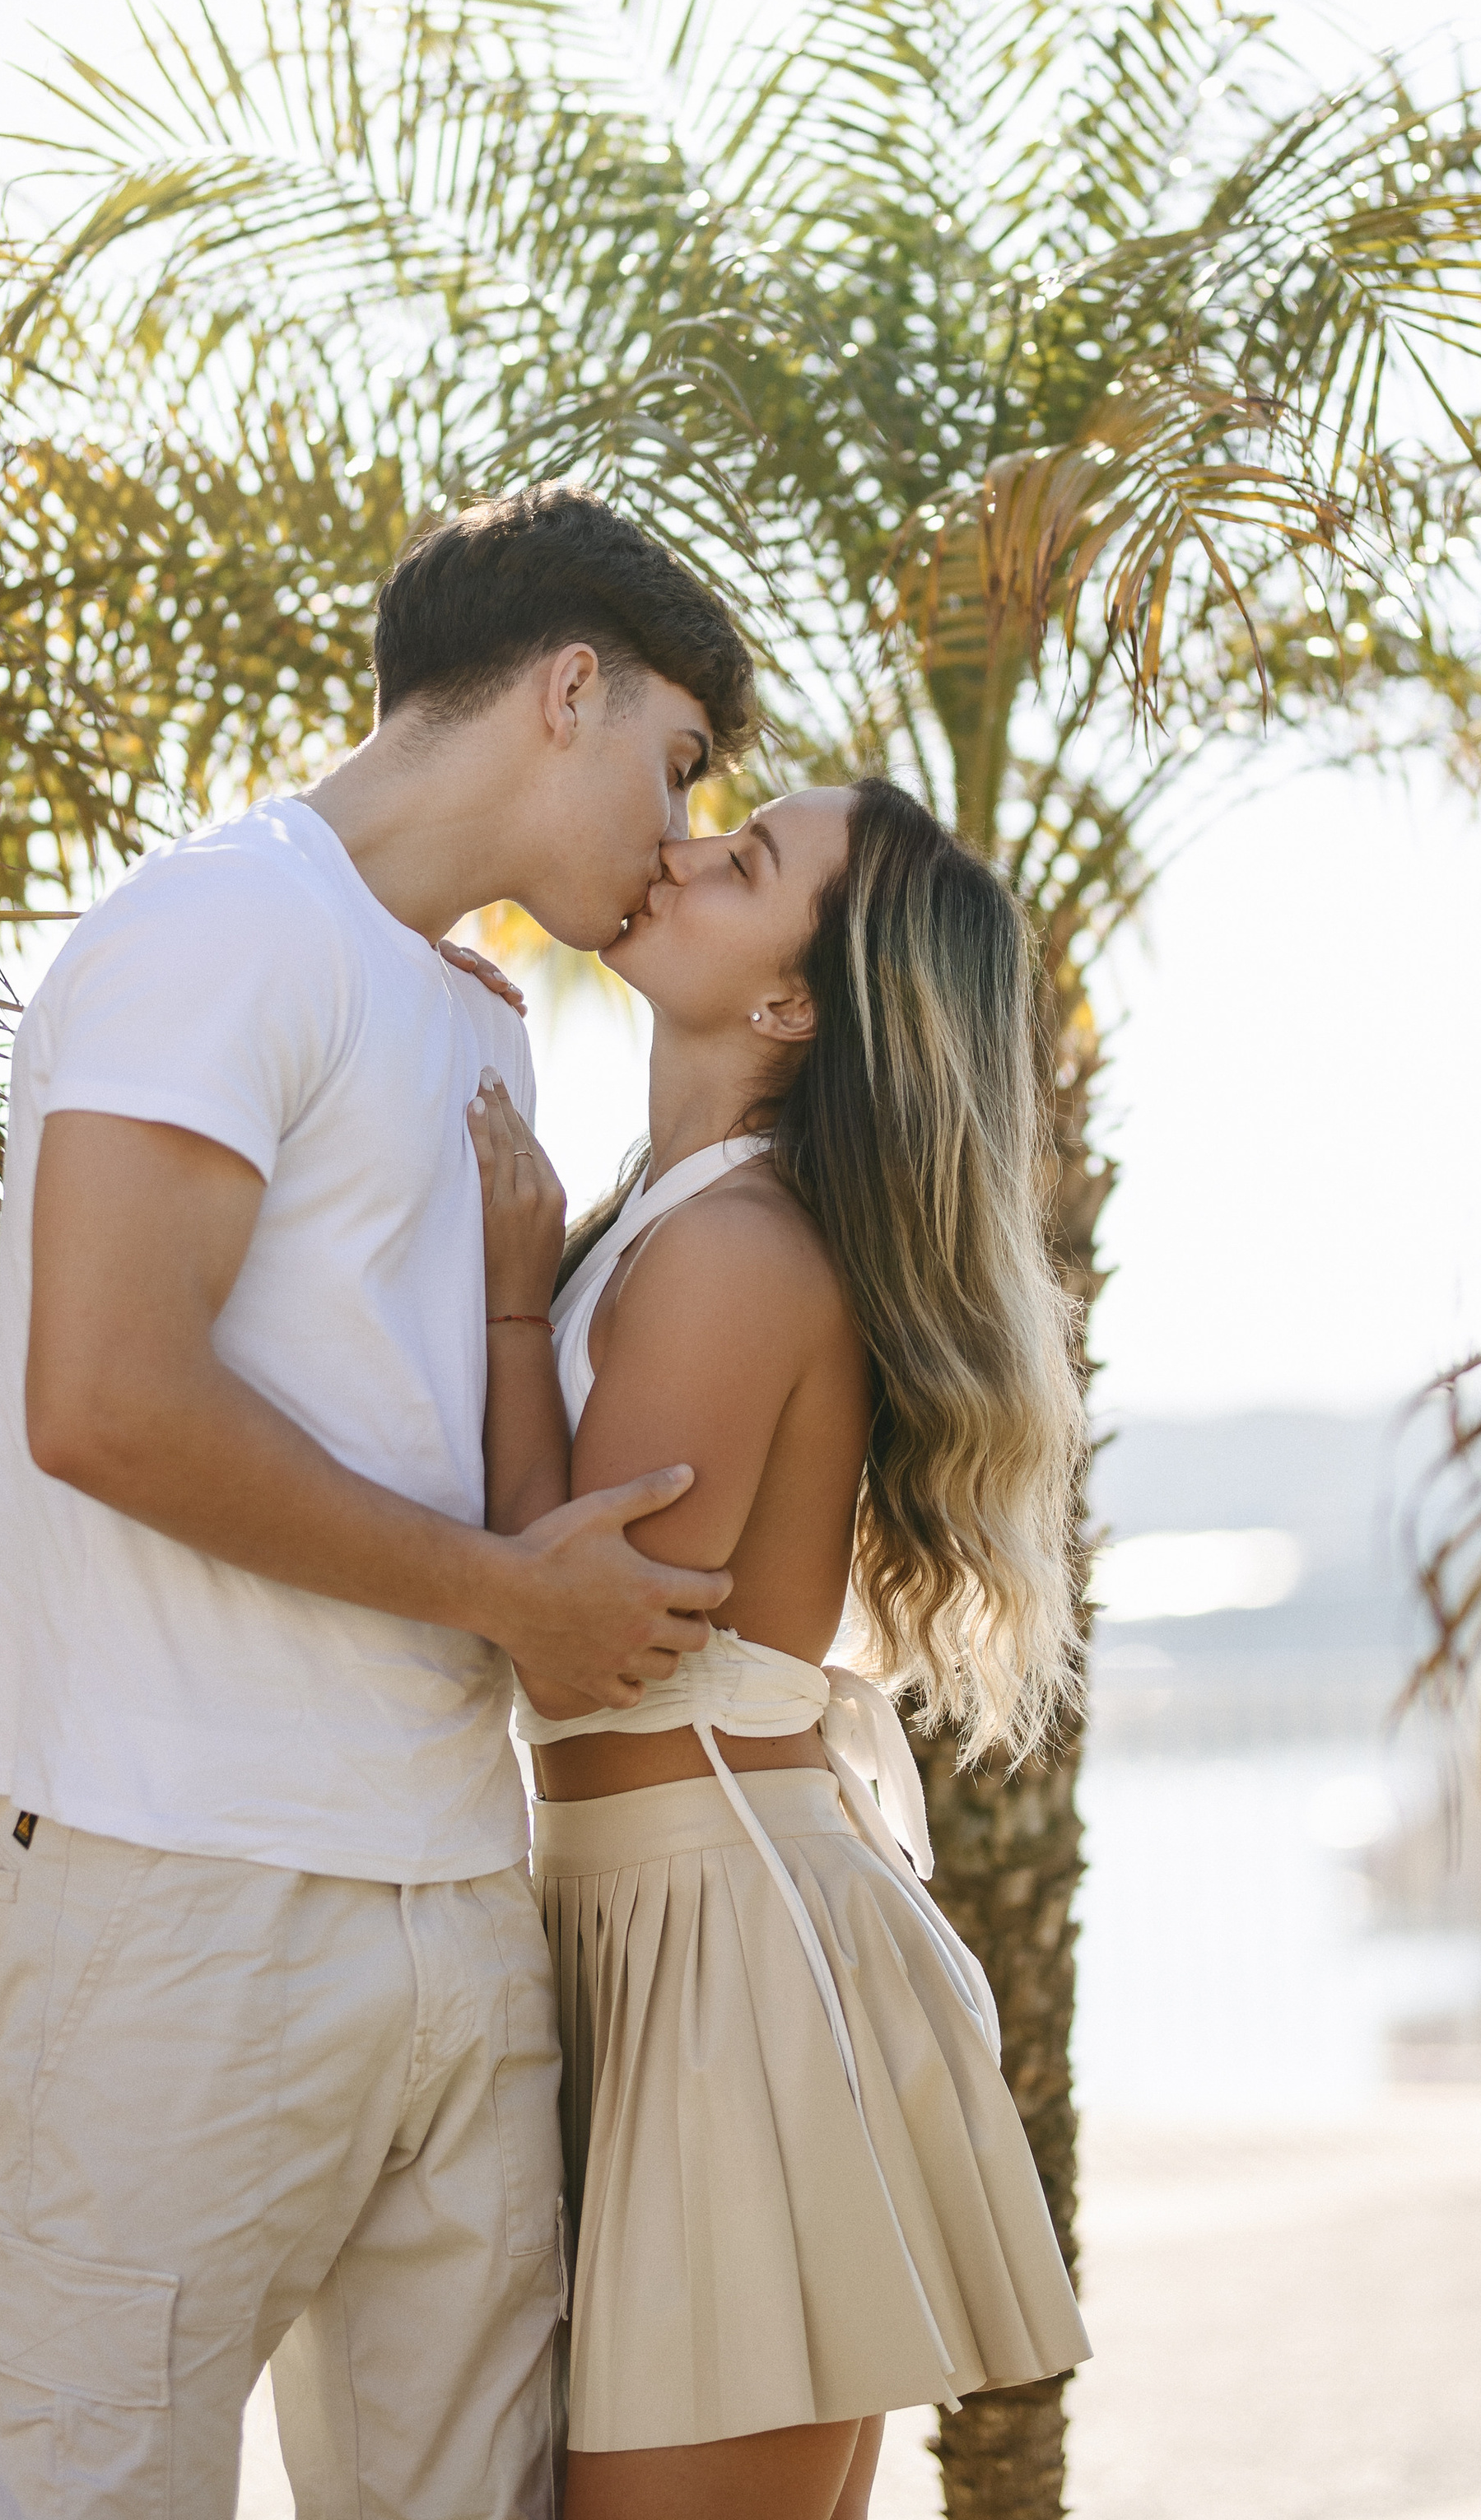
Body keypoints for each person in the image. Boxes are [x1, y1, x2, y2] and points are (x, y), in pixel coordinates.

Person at [0, 486, 757, 2520]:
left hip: (452, 1894)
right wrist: (502, 1596)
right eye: (675, 763)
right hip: (183, 1883)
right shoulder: (221, 924)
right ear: (571, 685)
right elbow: (106, 1399)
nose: (677, 833)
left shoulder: (475, 1015)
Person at [471, 776, 1092, 2520]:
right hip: (658, 1919)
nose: (673, 851)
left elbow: (565, 1641)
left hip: (720, 1954)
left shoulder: (731, 1251)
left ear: (790, 1003)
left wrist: (513, 1300)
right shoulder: (664, 1220)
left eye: (739, 864)